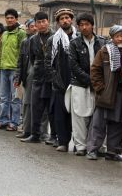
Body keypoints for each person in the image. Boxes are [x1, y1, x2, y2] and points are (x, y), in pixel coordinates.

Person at [87, 25, 122, 161]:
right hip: (106, 93)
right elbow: (95, 71)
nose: (121, 38)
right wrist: (100, 88)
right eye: (118, 36)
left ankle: (112, 152)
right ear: (112, 38)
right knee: (99, 124)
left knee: (118, 123)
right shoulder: (104, 51)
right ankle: (92, 150)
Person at [67, 13, 105, 155]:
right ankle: (81, 147)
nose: (84, 27)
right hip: (79, 84)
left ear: (92, 25)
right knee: (79, 117)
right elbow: (73, 66)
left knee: (98, 117)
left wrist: (97, 82)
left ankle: (97, 146)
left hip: (98, 86)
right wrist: (89, 80)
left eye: (86, 24)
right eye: (81, 25)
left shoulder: (102, 42)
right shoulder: (74, 43)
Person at [21, 12, 55, 144]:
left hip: (52, 77)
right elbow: (32, 58)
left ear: (48, 22)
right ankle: (35, 134)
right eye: (38, 22)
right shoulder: (32, 40)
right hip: (37, 76)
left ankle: (50, 135)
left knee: (50, 108)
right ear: (35, 24)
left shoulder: (55, 36)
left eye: (44, 21)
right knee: (35, 106)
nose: (41, 24)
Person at [47, 8, 76, 151]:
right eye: (62, 18)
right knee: (60, 113)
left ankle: (79, 144)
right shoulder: (53, 40)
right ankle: (63, 142)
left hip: (76, 80)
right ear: (58, 22)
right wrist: (55, 78)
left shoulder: (78, 38)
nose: (65, 20)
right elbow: (48, 62)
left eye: (67, 17)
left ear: (71, 19)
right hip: (59, 81)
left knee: (76, 114)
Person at [0, 9, 26, 131]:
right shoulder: (5, 34)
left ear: (16, 19)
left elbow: (23, 54)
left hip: (15, 70)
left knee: (15, 98)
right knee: (3, 97)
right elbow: (0, 53)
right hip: (3, 69)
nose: (10, 20)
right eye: (7, 18)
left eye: (12, 17)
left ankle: (14, 122)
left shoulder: (21, 33)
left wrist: (20, 71)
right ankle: (3, 120)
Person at [14, 19, 37, 139]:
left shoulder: (41, 40)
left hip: (39, 78)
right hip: (27, 78)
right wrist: (17, 77)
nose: (34, 28)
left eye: (35, 26)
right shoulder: (25, 42)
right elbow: (20, 62)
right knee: (26, 103)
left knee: (38, 106)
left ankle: (38, 133)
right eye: (31, 26)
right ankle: (26, 130)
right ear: (27, 28)